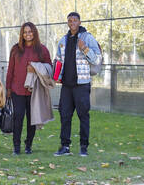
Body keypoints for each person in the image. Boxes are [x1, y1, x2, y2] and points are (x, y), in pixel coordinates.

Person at [53, 12, 101, 157]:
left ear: (79, 22)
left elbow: (97, 60)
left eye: (75, 20)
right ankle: (65, 147)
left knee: (83, 115)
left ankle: (83, 147)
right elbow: (58, 61)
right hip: (67, 86)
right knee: (65, 115)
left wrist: (85, 48)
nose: (72, 22)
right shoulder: (63, 40)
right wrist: (56, 76)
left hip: (82, 84)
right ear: (68, 23)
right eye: (70, 20)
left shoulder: (88, 38)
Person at [6, 22, 52, 155]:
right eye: (25, 32)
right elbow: (10, 70)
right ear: (22, 34)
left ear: (34, 32)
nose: (28, 34)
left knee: (32, 118)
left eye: (30, 31)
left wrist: (36, 67)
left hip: (34, 90)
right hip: (17, 89)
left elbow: (49, 67)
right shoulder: (15, 49)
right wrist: (8, 88)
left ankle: (28, 145)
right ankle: (16, 146)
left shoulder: (42, 49)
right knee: (18, 117)